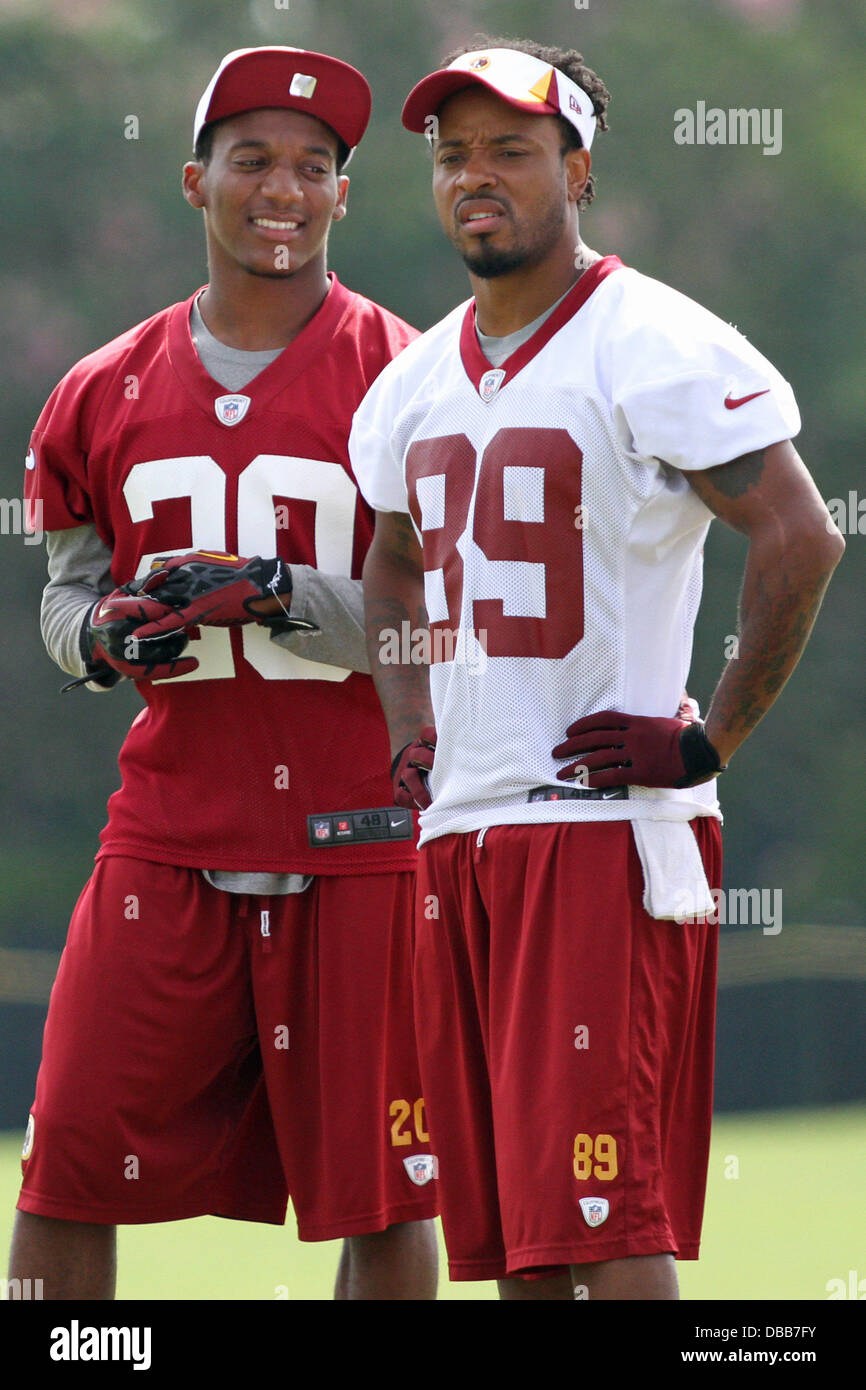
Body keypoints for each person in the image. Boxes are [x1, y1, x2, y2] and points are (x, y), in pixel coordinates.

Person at [351, 37, 844, 1300]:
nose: (477, 175)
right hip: (461, 827)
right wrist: (410, 719)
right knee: (519, 1239)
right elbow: (393, 564)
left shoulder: (654, 341)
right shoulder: (409, 382)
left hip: (598, 827)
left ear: (576, 170)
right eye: (453, 154)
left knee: (604, 1220)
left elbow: (798, 532)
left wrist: (707, 738)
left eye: (510, 151)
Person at [12, 46, 438, 1301]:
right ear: (195, 179)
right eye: (253, 158)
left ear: (344, 200)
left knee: (381, 1191)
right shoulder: (100, 389)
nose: (284, 188)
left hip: (361, 829)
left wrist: (276, 592)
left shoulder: (407, 379)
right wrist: (98, 638)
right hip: (170, 828)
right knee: (67, 1162)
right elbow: (63, 594)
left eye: (315, 166)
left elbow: (447, 621)